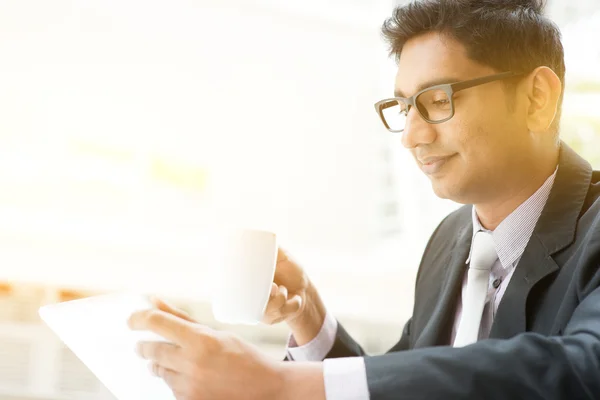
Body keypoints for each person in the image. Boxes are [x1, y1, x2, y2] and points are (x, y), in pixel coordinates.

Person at [127, 0, 600, 399]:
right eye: (403, 107)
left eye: (437, 101)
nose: (411, 136)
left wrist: (279, 384)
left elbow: (580, 369)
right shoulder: (450, 241)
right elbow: (404, 382)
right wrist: (310, 316)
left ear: (537, 97)